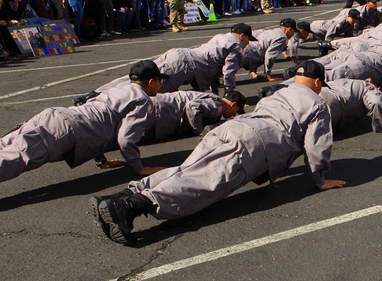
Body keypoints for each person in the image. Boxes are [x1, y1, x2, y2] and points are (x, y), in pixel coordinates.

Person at [90, 60, 345, 246]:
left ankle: (121, 197)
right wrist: (320, 178)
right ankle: (130, 207)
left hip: (231, 128)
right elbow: (316, 143)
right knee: (202, 183)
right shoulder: (317, 102)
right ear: (317, 82)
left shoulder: (280, 92)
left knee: (186, 171)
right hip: (254, 144)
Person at [0, 61, 168, 186]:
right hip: (64, 130)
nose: (161, 85)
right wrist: (140, 167)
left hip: (56, 116)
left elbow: (99, 123)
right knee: (11, 161)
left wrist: (101, 160)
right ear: (151, 82)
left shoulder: (120, 89)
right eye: (160, 81)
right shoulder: (141, 99)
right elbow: (126, 139)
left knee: (0, 148)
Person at [84, 23, 253, 100]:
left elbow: (214, 72)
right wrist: (230, 94)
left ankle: (98, 92)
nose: (247, 43)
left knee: (139, 77)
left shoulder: (221, 37)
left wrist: (216, 95)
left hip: (180, 55)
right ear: (242, 35)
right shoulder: (236, 45)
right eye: (248, 40)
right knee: (145, 89)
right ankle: (103, 99)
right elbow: (228, 71)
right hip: (185, 66)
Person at [262, 78, 382, 134]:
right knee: (303, 129)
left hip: (316, 92)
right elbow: (377, 102)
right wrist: (379, 125)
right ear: (377, 87)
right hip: (333, 104)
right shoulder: (369, 89)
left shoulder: (350, 80)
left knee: (288, 112)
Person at [144, 90, 246, 141]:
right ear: (233, 105)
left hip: (161, 104)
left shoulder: (215, 101)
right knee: (131, 135)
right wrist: (201, 131)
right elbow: (193, 106)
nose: (233, 114)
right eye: (236, 111)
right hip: (162, 110)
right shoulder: (218, 106)